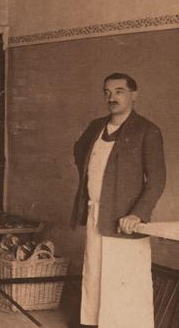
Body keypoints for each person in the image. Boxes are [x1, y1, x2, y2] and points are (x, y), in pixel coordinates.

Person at [72, 73, 165, 328]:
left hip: (126, 221)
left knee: (124, 284)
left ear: (134, 95)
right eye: (107, 92)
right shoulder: (95, 127)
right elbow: (80, 153)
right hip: (96, 216)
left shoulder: (147, 131)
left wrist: (137, 213)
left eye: (119, 91)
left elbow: (157, 181)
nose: (112, 97)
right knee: (94, 277)